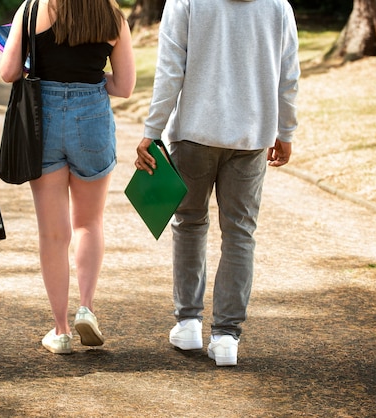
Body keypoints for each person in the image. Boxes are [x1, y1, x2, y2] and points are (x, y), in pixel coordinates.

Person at [135, 0, 300, 366]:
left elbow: (169, 70)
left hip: (195, 133)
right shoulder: (278, 6)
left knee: (190, 224)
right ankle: (226, 336)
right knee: (240, 233)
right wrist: (285, 130)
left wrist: (152, 130)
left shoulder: (187, 1)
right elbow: (288, 74)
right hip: (252, 137)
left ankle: (189, 322)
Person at [0, 0, 135, 354]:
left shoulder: (31, 10)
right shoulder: (112, 15)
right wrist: (87, 79)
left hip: (41, 118)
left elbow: (8, 71)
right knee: (89, 223)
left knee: (53, 232)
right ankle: (86, 308)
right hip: (91, 114)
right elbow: (124, 86)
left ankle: (60, 331)